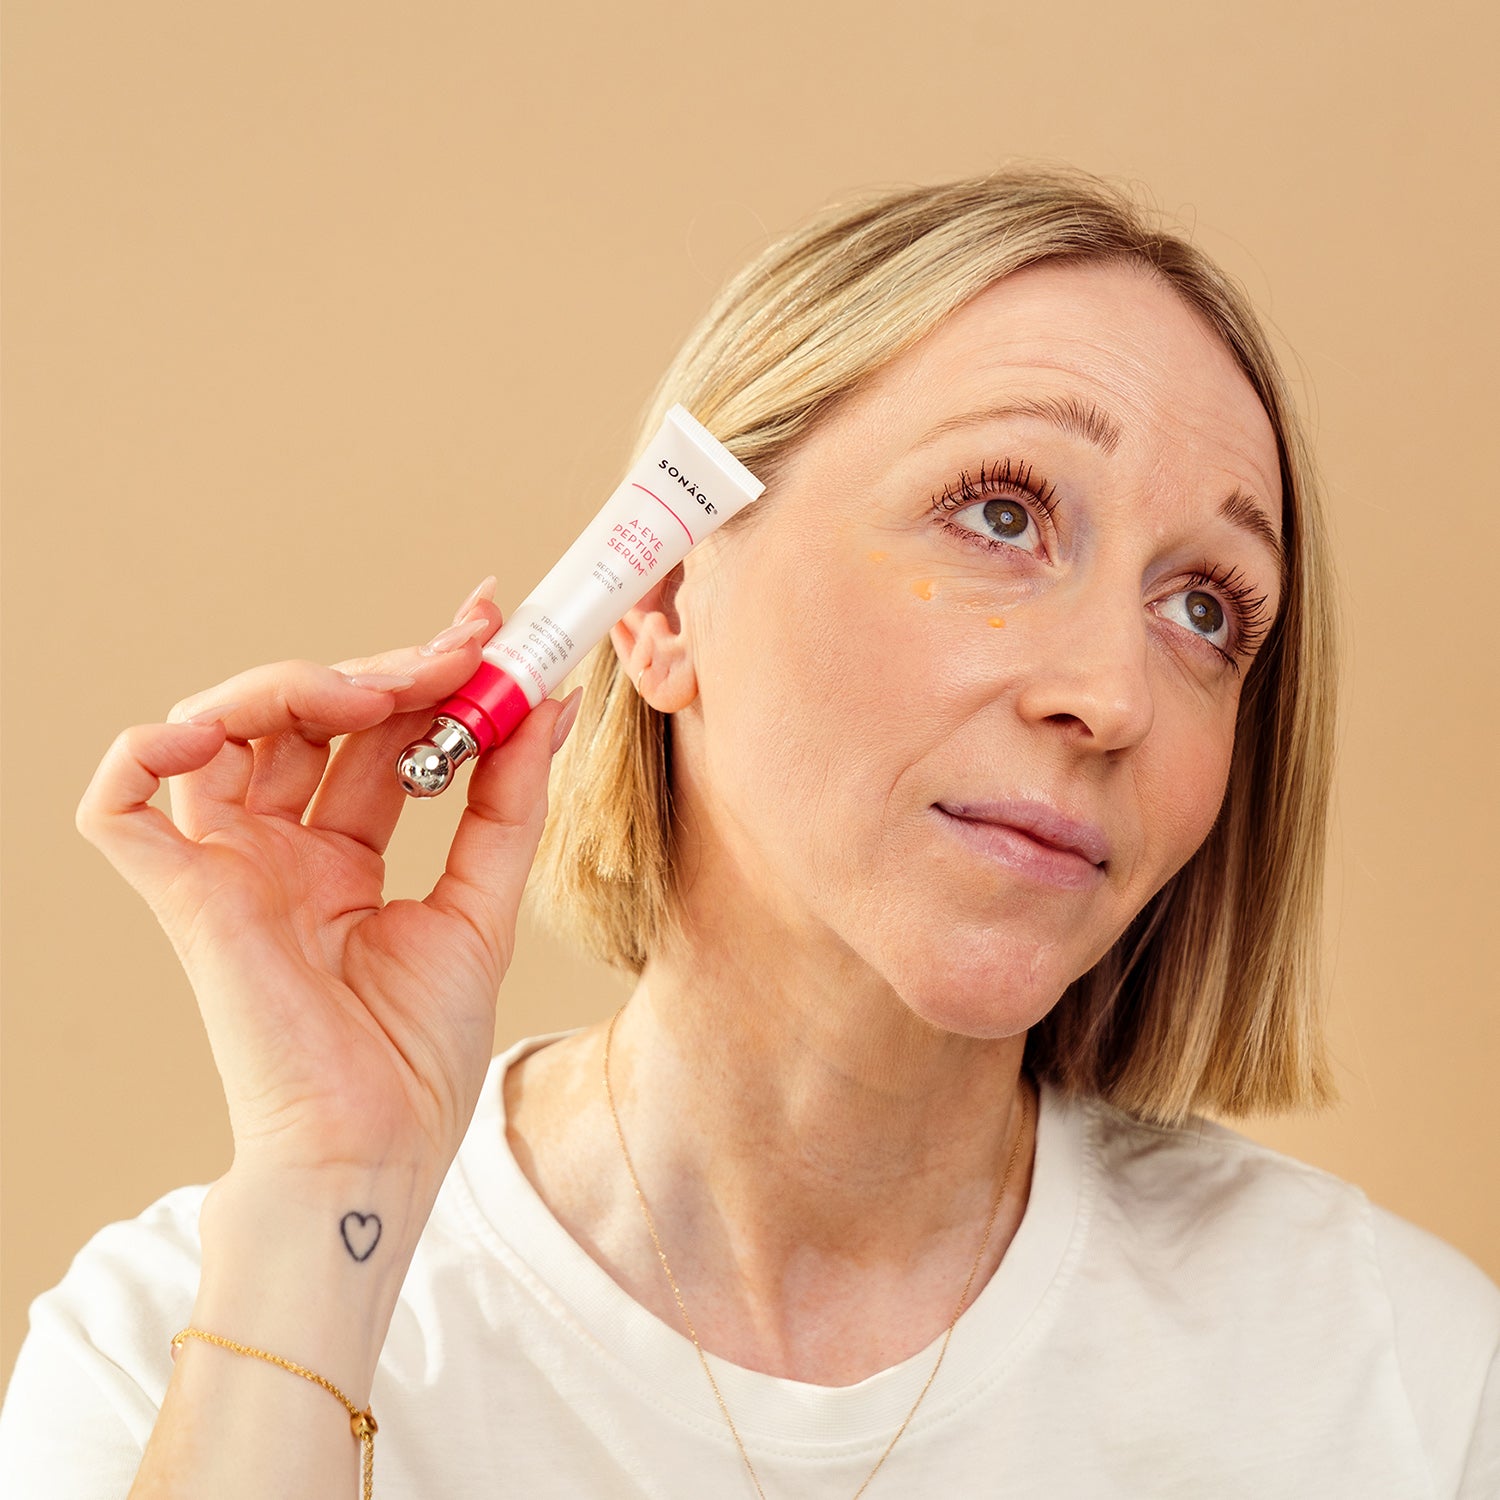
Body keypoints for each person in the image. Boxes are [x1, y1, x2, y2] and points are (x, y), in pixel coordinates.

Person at [1, 164, 1495, 1499]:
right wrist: (328, 1201)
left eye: (1206, 608)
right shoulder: (167, 1352)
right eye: (998, 513)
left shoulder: (1407, 1386)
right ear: (657, 599)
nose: (1112, 695)